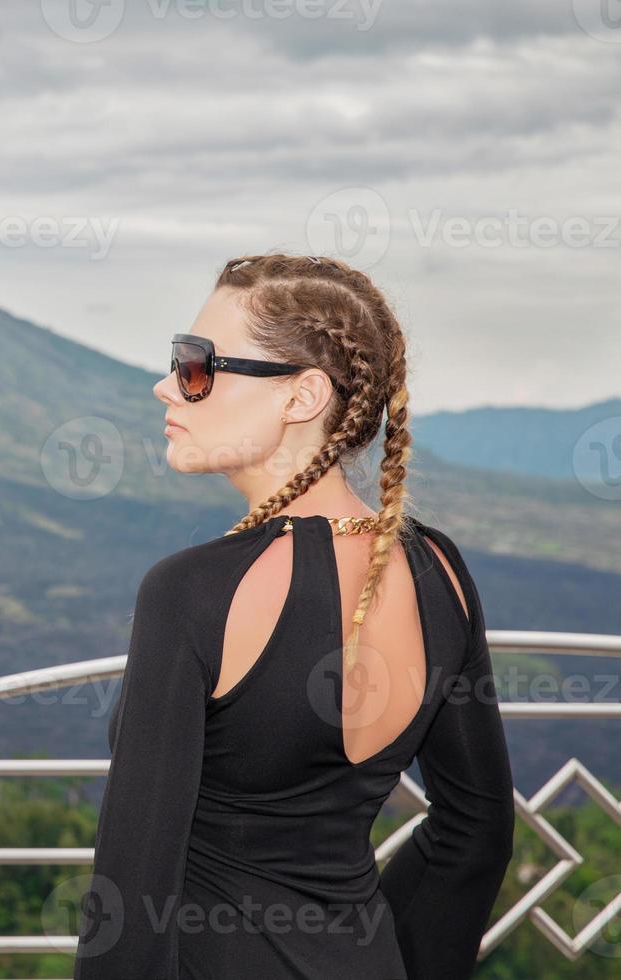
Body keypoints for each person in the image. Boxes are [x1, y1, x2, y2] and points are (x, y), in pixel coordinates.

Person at [72, 254, 515, 979]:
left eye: (196, 365)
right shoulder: (439, 570)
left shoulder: (192, 592)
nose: (167, 385)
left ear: (302, 396)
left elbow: (130, 898)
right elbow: (478, 832)